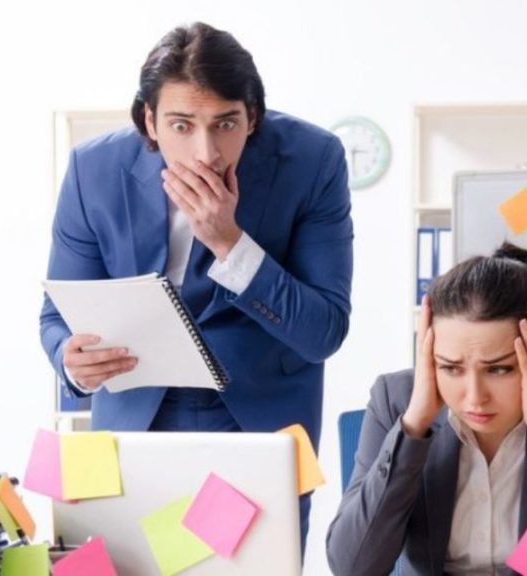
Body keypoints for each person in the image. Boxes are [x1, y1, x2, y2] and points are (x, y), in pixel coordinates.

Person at [39, 22, 353, 546]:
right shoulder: (93, 170)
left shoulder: (314, 161)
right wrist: (72, 363)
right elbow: (56, 317)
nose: (206, 152)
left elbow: (323, 332)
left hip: (259, 426)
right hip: (134, 422)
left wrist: (231, 244)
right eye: (181, 125)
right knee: (133, 565)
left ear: (253, 117)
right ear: (149, 120)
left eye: (225, 124)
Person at [327, 242, 527, 575]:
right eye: (451, 368)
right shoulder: (396, 400)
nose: (475, 397)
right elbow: (353, 567)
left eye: (499, 369)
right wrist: (413, 427)